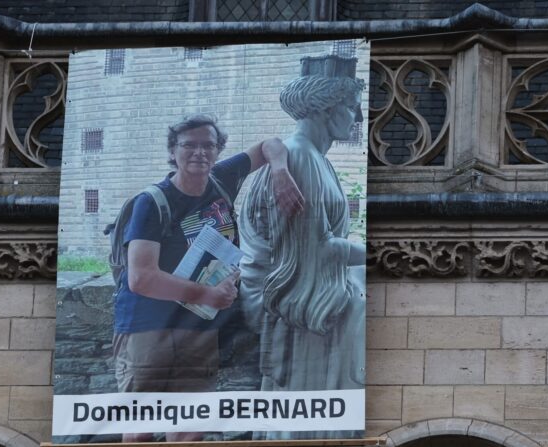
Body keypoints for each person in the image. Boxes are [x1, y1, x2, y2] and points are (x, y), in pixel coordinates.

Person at [113, 114, 304, 443]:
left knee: (189, 427)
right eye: (189, 145)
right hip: (148, 327)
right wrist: (207, 294)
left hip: (198, 327)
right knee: (141, 428)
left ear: (218, 151)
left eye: (208, 145)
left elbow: (270, 145)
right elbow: (141, 278)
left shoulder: (223, 179)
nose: (199, 152)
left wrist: (280, 171)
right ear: (173, 151)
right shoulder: (152, 202)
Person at [238, 55, 367, 440]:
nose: (357, 117)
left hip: (306, 285)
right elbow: (316, 252)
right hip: (293, 300)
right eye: (350, 106)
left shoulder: (310, 158)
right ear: (327, 108)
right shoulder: (301, 159)